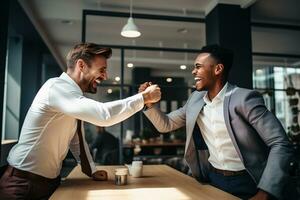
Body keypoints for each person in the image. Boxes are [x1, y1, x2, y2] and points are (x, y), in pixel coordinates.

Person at [0, 43, 161, 199]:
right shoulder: (56, 87)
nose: (105, 76)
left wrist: (91, 170)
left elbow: (76, 138)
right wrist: (144, 97)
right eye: (102, 69)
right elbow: (103, 115)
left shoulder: (72, 96)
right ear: (81, 65)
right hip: (22, 183)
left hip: (49, 182)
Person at [139, 44, 296, 200]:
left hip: (250, 181)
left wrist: (264, 192)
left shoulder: (245, 99)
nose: (194, 71)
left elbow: (280, 143)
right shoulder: (195, 99)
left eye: (198, 67)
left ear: (218, 69)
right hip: (214, 179)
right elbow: (166, 124)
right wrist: (149, 104)